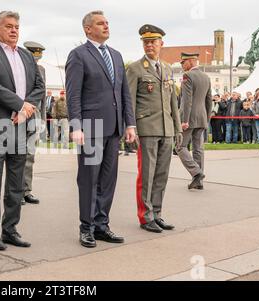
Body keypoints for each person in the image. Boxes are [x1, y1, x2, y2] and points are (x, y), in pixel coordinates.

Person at [0, 11, 45, 251]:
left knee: (16, 183)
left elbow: (39, 86)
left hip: (21, 125)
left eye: (16, 26)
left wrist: (25, 109)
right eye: (8, 26)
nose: (14, 30)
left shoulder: (27, 56)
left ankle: (10, 229)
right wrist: (18, 104)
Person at [66, 11, 136, 248]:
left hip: (114, 127)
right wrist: (76, 125)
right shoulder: (78, 55)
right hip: (91, 127)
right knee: (89, 179)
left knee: (108, 179)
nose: (106, 26)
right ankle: (86, 227)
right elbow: (73, 94)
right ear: (87, 29)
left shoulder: (115, 55)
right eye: (100, 23)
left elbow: (124, 93)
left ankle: (101, 225)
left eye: (107, 22)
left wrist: (130, 123)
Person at [126, 24, 182, 233]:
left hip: (166, 129)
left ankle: (157, 213)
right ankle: (145, 216)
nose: (149, 45)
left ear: (161, 44)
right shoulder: (135, 68)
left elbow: (172, 103)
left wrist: (177, 129)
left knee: (161, 174)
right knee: (147, 175)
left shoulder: (167, 68)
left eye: (153, 41)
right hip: (146, 128)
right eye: (146, 42)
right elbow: (129, 101)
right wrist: (131, 127)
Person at [175, 53, 212, 190]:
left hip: (189, 118)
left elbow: (186, 101)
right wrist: (206, 119)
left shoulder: (188, 76)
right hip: (201, 117)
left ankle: (196, 173)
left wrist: (184, 120)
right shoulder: (206, 77)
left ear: (191, 62)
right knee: (198, 149)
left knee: (179, 146)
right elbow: (209, 101)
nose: (182, 65)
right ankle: (198, 182)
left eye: (183, 62)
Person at [22, 41, 46, 205]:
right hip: (20, 113)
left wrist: (42, 118)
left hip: (35, 115)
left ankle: (26, 190)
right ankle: (15, 191)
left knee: (29, 156)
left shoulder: (42, 69)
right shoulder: (20, 66)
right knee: (16, 155)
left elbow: (42, 96)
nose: (36, 60)